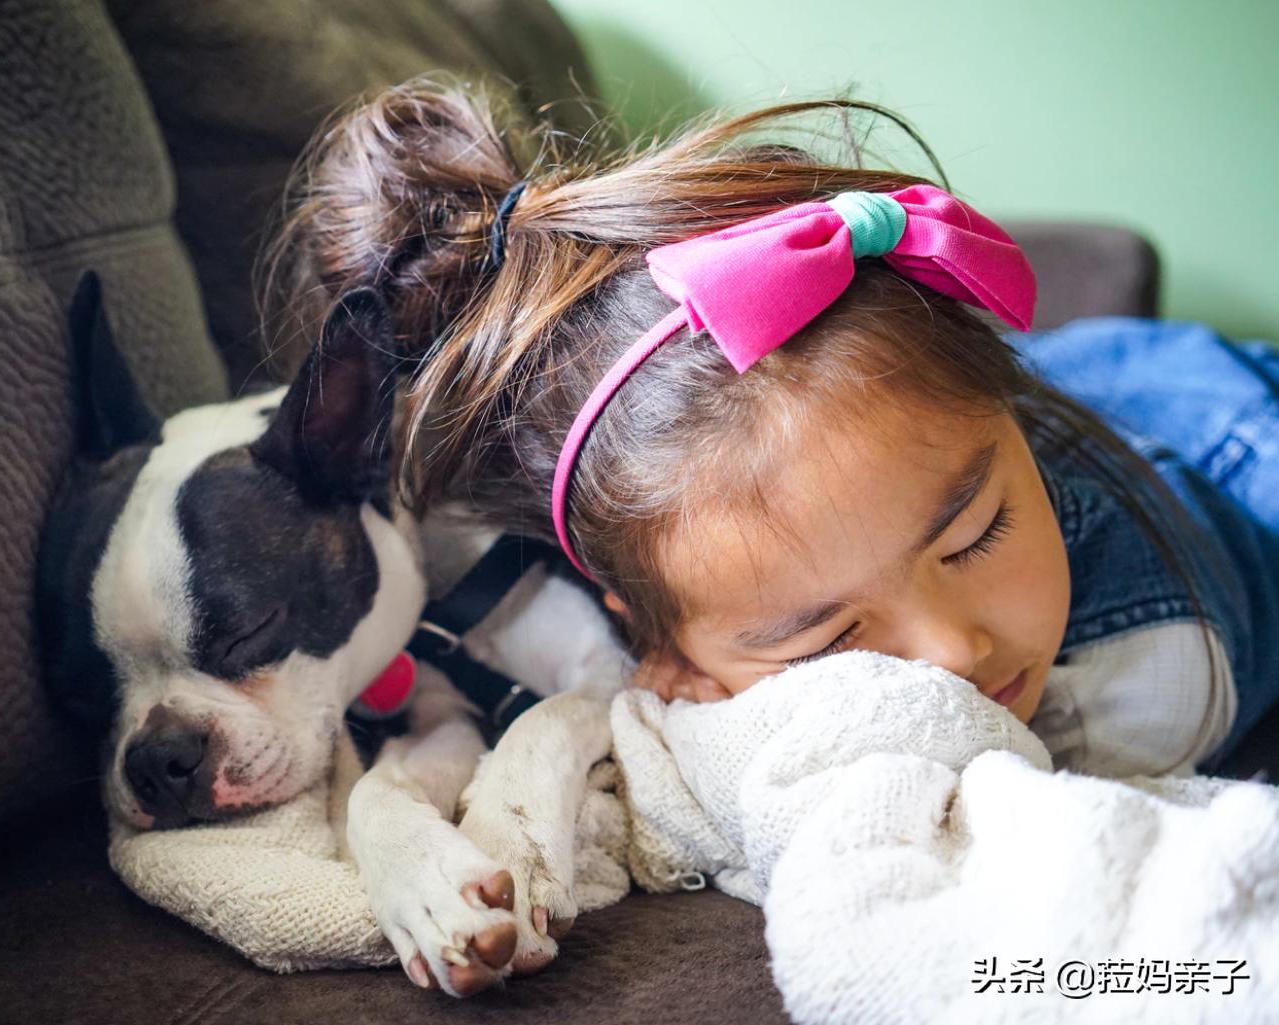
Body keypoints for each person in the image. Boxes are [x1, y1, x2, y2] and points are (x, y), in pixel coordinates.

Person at [266, 78, 1279, 778]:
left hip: (1221, 422)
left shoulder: (1147, 677)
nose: (952, 650)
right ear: (658, 641)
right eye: (824, 639)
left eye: (979, 533)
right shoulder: (655, 532)